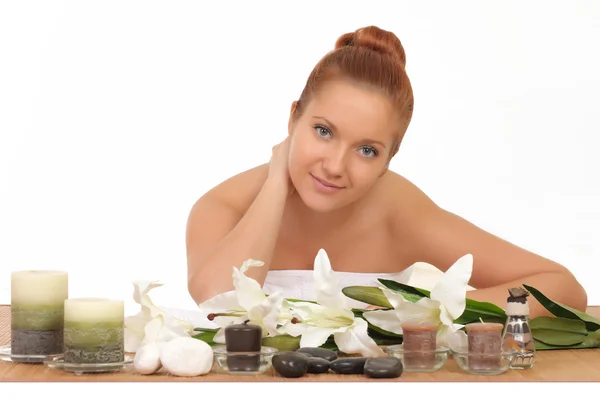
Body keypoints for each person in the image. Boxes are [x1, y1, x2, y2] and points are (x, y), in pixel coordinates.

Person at [185, 25, 588, 318]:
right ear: (293, 119)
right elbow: (216, 300)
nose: (334, 166)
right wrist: (275, 183)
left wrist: (425, 318)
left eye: (366, 150)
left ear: (389, 159)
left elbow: (560, 287)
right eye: (323, 131)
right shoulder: (223, 206)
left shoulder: (400, 211)